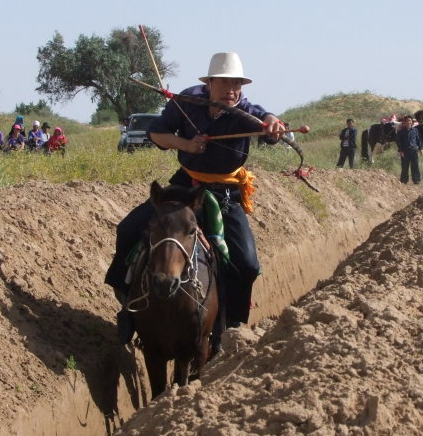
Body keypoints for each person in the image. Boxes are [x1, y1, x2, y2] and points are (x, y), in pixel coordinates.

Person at [105, 51, 287, 347]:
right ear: (209, 83)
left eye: (237, 84)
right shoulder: (188, 100)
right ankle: (129, 308)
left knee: (248, 264)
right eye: (226, 83)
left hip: (225, 195)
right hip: (186, 188)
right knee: (128, 230)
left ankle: (232, 326)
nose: (232, 90)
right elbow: (157, 134)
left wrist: (272, 125)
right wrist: (186, 144)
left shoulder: (244, 110)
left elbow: (266, 123)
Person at [396, 115, 422, 184]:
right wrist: (401, 151)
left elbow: (418, 140)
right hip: (405, 151)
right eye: (407, 120)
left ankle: (416, 180)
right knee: (405, 167)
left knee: (415, 166)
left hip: (414, 151)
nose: (409, 122)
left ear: (411, 122)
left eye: (410, 120)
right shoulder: (401, 132)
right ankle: (404, 181)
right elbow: (399, 143)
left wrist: (421, 148)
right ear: (404, 122)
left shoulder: (415, 130)